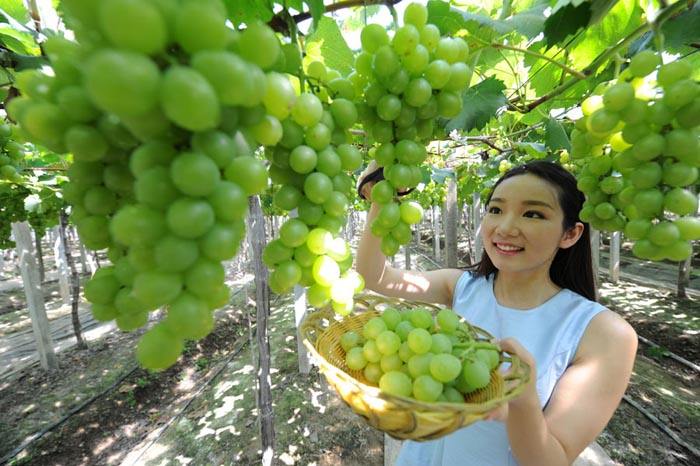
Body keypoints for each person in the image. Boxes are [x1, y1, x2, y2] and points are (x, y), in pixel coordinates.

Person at [355, 160, 638, 466]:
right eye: (496, 210)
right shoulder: (462, 287)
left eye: (533, 213)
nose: (504, 228)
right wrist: (381, 200)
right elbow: (376, 277)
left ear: (570, 234)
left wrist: (524, 401)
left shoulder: (604, 334)